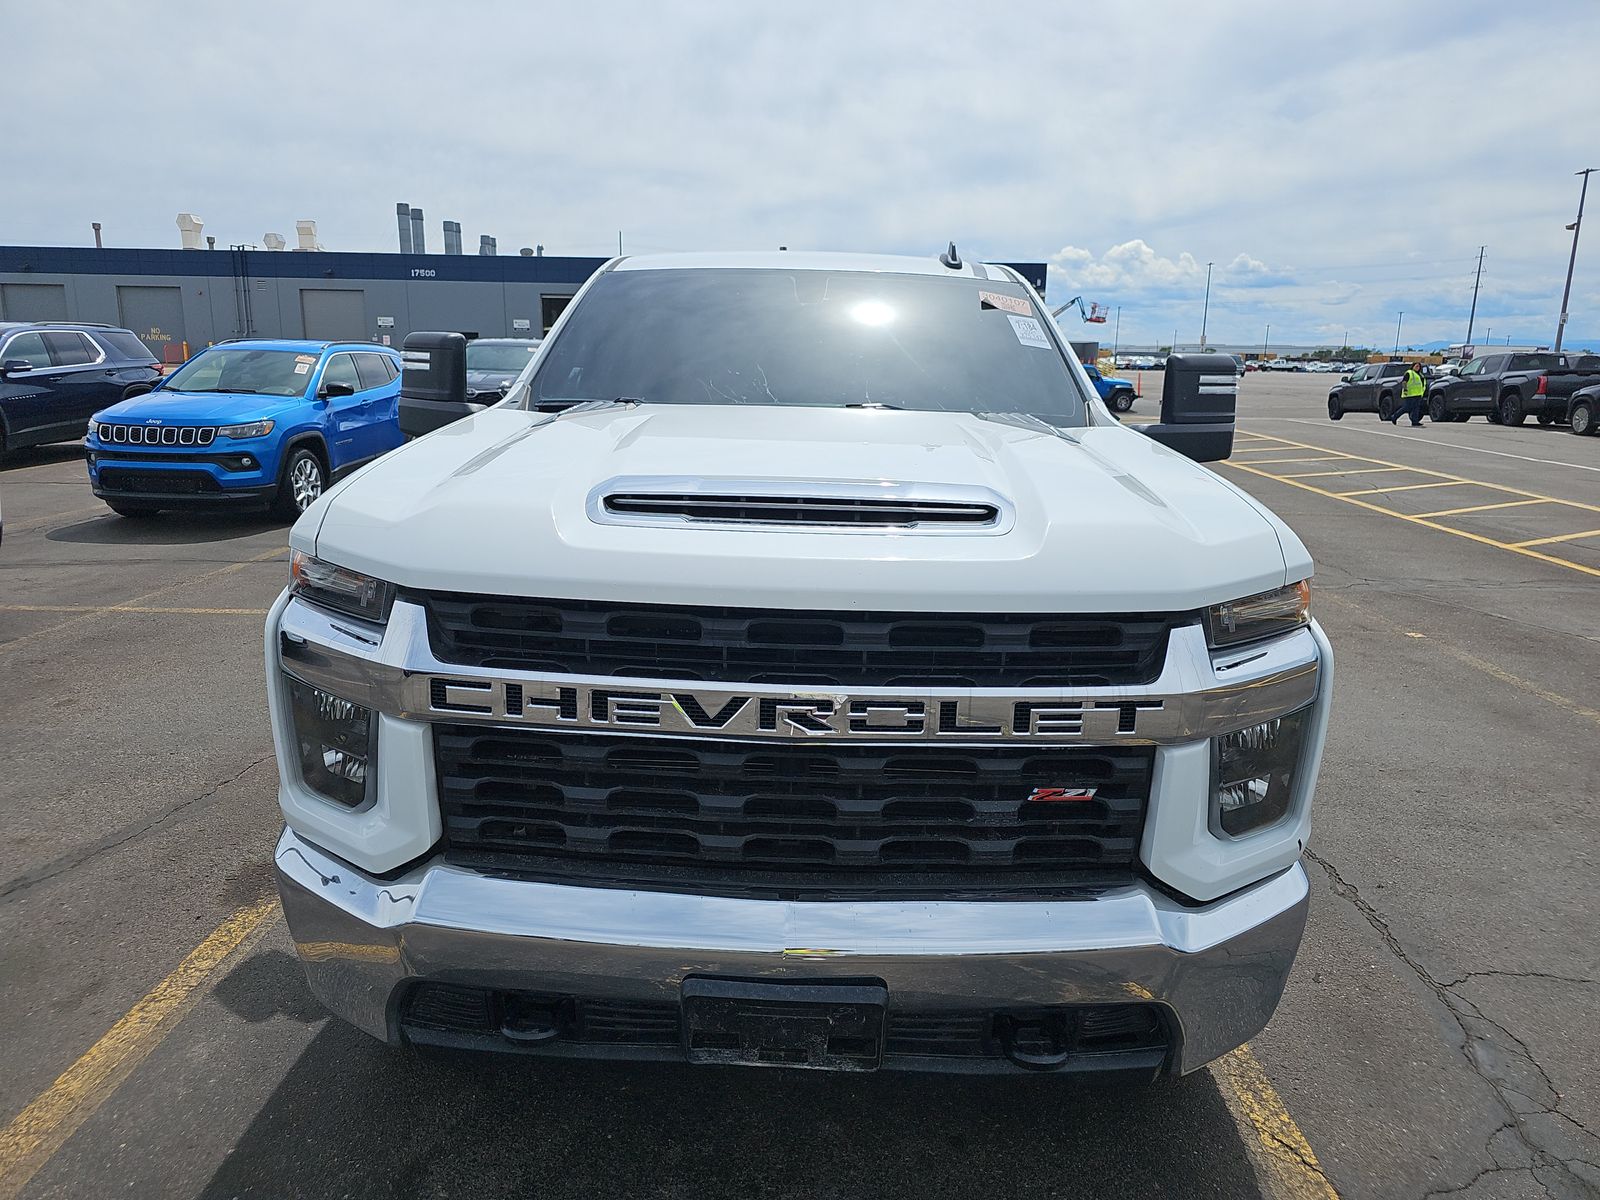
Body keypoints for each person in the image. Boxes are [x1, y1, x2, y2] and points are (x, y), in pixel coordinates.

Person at [1392, 361, 1426, 425]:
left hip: (1418, 394)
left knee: (1416, 408)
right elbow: (1404, 382)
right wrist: (1405, 389)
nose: (1417, 368)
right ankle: (1394, 416)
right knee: (1406, 408)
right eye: (1416, 366)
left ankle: (1414, 421)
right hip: (1410, 394)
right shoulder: (1409, 373)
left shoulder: (1420, 375)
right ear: (1413, 366)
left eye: (1419, 366)